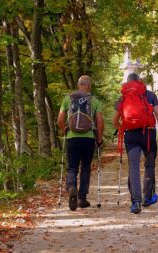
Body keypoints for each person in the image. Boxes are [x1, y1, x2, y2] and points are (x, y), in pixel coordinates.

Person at [113, 73, 158, 214]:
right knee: (149, 165)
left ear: (128, 83)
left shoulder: (123, 97)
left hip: (131, 135)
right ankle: (147, 197)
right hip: (149, 134)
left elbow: (115, 121)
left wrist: (123, 128)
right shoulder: (150, 95)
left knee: (134, 166)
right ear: (140, 81)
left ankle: (136, 202)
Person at [57, 75, 104, 211]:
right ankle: (82, 198)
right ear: (89, 86)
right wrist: (99, 139)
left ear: (78, 85)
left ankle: (72, 187)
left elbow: (60, 119)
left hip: (72, 138)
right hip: (88, 138)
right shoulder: (94, 100)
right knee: (85, 167)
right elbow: (100, 123)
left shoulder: (68, 98)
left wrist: (64, 131)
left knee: (72, 167)